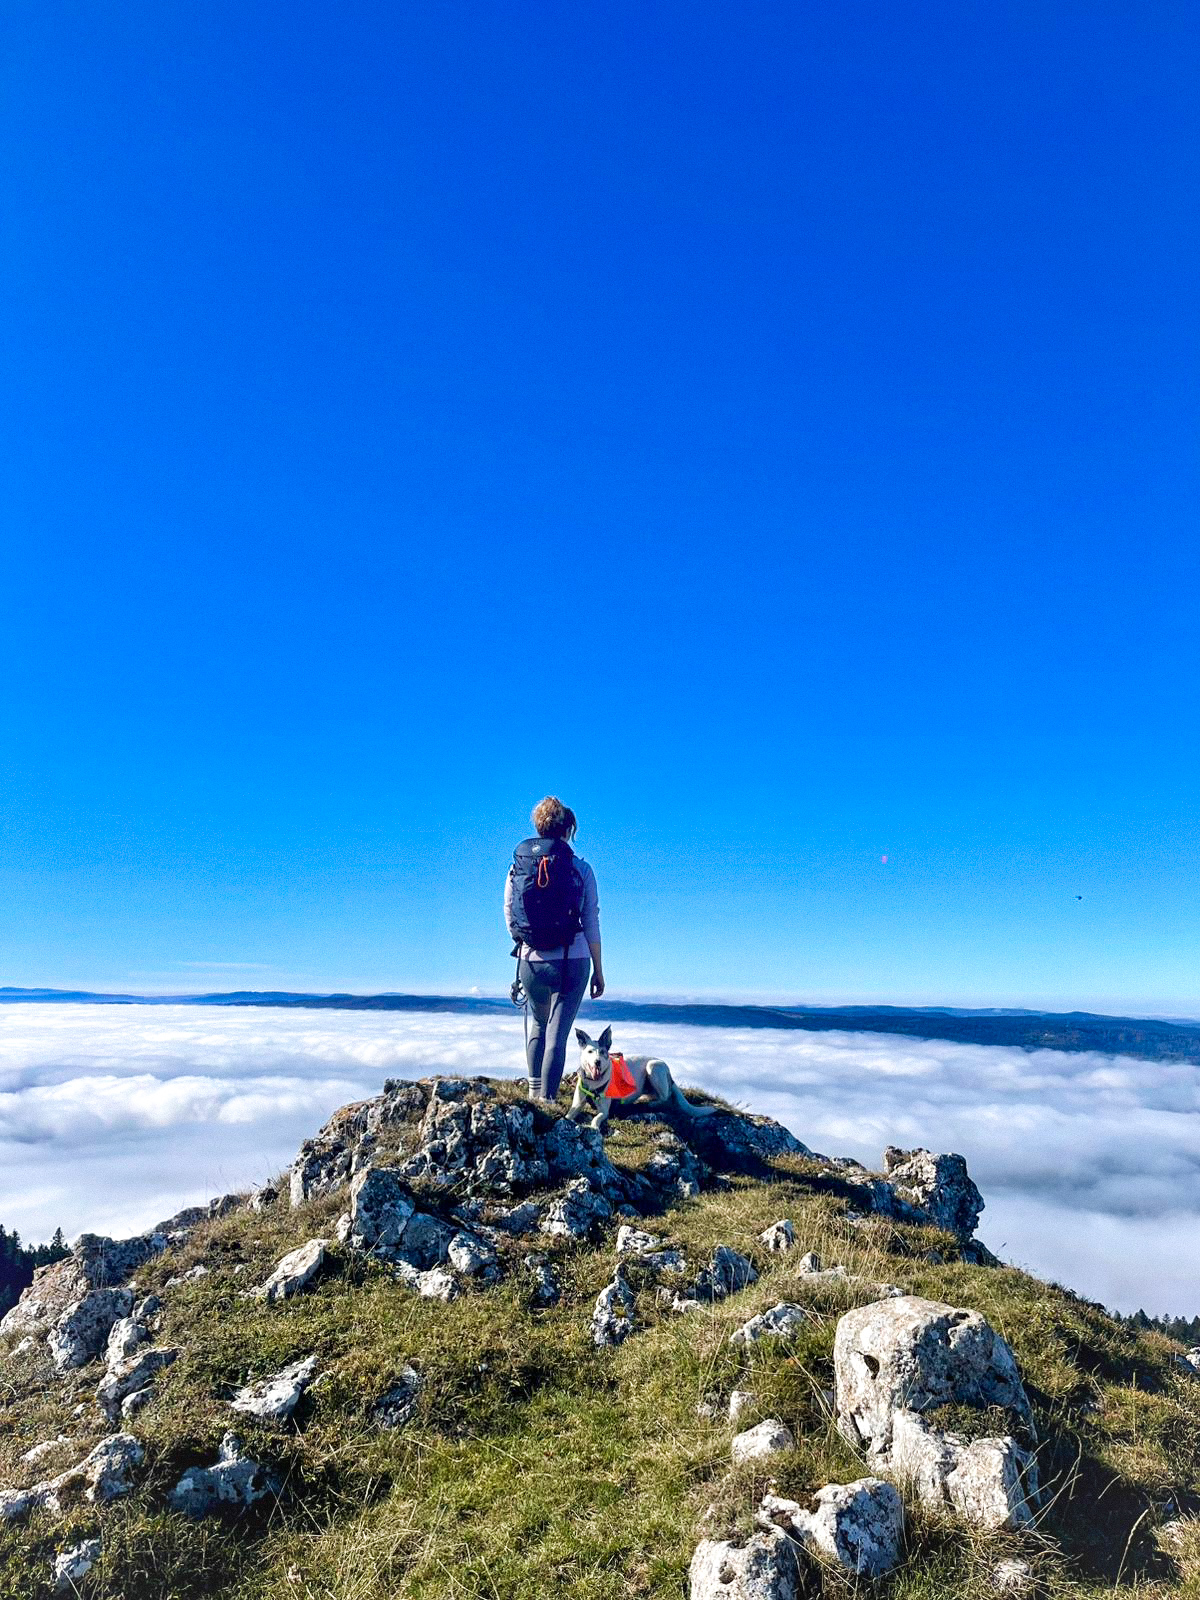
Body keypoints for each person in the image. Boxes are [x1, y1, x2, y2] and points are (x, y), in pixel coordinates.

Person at [505, 796, 604, 1100]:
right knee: (557, 1036)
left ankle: (535, 1096)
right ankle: (548, 1102)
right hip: (571, 959)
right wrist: (598, 971)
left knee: (537, 1024)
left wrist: (528, 944)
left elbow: (510, 915)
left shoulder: (517, 868)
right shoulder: (580, 868)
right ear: (568, 828)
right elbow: (590, 921)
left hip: (530, 961)